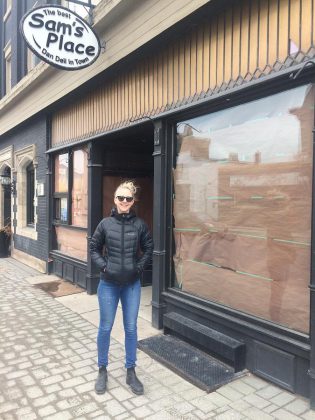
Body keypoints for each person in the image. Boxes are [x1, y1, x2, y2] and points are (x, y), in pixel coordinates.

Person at [90, 180, 153, 396]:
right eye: (120, 198)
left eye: (128, 198)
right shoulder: (105, 224)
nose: (124, 201)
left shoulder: (140, 225)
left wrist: (138, 268)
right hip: (108, 284)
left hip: (131, 285)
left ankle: (131, 370)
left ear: (133, 201)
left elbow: (148, 247)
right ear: (115, 200)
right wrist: (105, 266)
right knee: (105, 327)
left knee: (131, 328)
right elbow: (94, 248)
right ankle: (102, 369)